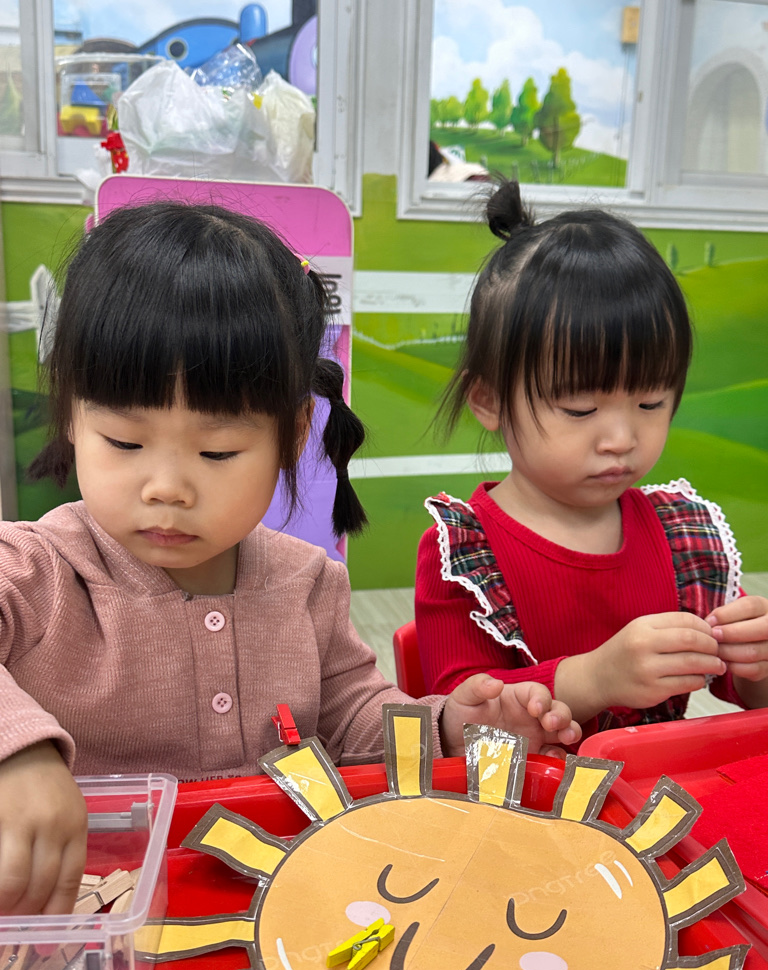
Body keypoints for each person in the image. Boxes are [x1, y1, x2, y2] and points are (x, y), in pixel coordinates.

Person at [0, 201, 580, 919]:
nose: (166, 487)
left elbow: (353, 719)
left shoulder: (307, 585)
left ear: (294, 434)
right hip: (92, 918)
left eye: (218, 452)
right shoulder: (39, 571)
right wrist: (18, 752)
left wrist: (447, 729)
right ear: (71, 416)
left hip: (281, 908)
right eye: (124, 442)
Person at [415, 179, 768, 736]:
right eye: (580, 408)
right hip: (527, 791)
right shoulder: (466, 554)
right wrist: (595, 679)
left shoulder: (681, 537)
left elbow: (742, 689)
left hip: (654, 786)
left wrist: (755, 664)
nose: (621, 438)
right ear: (489, 400)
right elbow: (464, 730)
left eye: (650, 402)